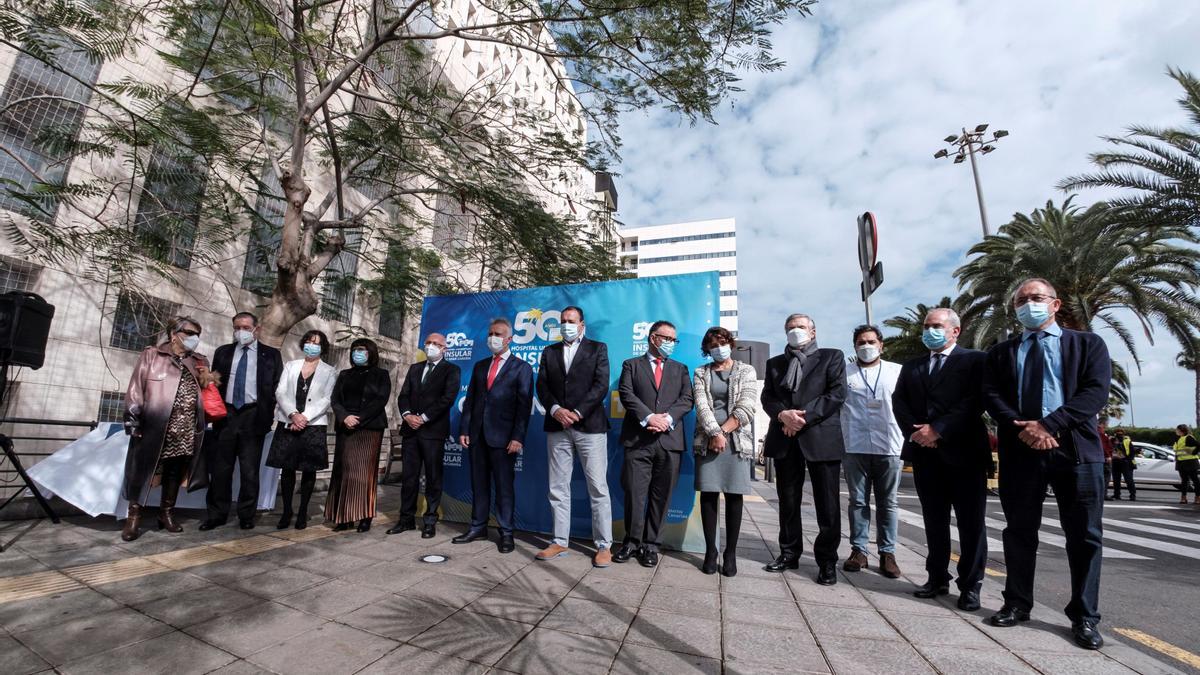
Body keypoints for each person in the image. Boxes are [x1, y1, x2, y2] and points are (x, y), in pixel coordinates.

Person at [983, 278, 1111, 650]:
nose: (1028, 304)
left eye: (1036, 298)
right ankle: (1017, 603)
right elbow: (991, 395)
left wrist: (1049, 425)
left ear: (1055, 305)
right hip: (1021, 449)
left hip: (1075, 451)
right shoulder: (1002, 352)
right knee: (1019, 531)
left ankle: (1085, 616)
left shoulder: (1087, 344)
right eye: (1022, 300)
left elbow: (1094, 392)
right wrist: (1022, 427)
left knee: (1085, 536)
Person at [892, 308, 990, 611]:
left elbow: (975, 401)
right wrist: (917, 432)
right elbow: (900, 401)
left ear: (955, 330)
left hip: (964, 453)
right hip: (925, 454)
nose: (930, 330)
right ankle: (936, 577)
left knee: (971, 523)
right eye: (926, 326)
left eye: (936, 325)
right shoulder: (913, 366)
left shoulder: (974, 361)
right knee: (934, 521)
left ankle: (970, 585)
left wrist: (939, 429)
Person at [761, 313, 847, 585]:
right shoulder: (775, 363)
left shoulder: (831, 357)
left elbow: (836, 394)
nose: (795, 331)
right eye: (790, 328)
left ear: (813, 331)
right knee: (787, 502)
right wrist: (783, 415)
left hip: (820, 438)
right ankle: (788, 553)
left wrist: (801, 418)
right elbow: (768, 396)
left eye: (800, 327)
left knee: (828, 505)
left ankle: (826, 561)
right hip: (785, 437)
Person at [534, 306, 614, 567]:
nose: (566, 325)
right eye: (562, 321)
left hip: (589, 426)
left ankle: (603, 545)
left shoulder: (597, 349)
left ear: (582, 324)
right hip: (557, 427)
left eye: (571, 321)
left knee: (598, 488)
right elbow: (542, 386)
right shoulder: (550, 352)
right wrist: (556, 410)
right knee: (557, 488)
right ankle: (559, 541)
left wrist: (577, 412)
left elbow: (601, 385)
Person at [121, 317, 213, 541]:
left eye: (197, 334)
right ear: (174, 334)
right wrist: (133, 420)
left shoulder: (200, 361)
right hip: (156, 425)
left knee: (174, 471)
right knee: (142, 470)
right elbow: (136, 388)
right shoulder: (152, 355)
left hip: (186, 428)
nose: (194, 339)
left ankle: (166, 513)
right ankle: (133, 517)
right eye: (190, 333)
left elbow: (208, 393)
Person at [615, 320, 694, 568]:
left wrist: (667, 420)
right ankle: (631, 541)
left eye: (674, 340)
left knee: (662, 497)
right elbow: (626, 393)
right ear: (653, 338)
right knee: (635, 495)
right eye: (667, 338)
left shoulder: (680, 369)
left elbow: (687, 398)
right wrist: (649, 417)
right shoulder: (631, 365)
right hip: (638, 441)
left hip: (670, 442)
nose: (671, 343)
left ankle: (651, 545)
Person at [453, 318, 534, 553]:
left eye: (498, 334)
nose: (492, 338)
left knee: (504, 487)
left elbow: (523, 406)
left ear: (509, 339)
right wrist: (465, 429)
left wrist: (518, 437)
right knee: (478, 484)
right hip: (477, 436)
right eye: (490, 333)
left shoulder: (522, 368)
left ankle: (506, 533)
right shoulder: (480, 366)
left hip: (504, 438)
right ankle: (477, 527)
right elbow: (471, 402)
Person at [202, 312, 283, 531]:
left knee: (249, 471)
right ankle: (216, 514)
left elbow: (276, 387)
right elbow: (214, 383)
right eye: (237, 327)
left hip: (253, 416)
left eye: (246, 328)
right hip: (226, 415)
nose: (241, 332)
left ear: (257, 329)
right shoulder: (223, 352)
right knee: (221, 469)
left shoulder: (271, 355)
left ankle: (246, 515)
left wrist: (267, 416)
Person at [692, 326, 759, 577]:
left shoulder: (746, 370)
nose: (718, 347)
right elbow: (701, 404)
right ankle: (711, 551)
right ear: (707, 349)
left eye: (722, 342)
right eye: (712, 344)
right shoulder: (701, 372)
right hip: (708, 439)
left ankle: (730, 553)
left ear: (730, 343)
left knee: (734, 495)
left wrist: (726, 431)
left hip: (736, 440)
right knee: (708, 495)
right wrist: (715, 433)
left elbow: (747, 405)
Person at [840, 324, 904, 580]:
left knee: (889, 502)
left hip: (890, 445)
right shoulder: (845, 373)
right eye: (861, 343)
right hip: (854, 445)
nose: (866, 347)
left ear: (881, 344)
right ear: (854, 346)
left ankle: (888, 553)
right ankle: (859, 551)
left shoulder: (897, 372)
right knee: (857, 502)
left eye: (871, 342)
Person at [388, 332, 461, 538]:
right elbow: (403, 396)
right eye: (428, 342)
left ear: (444, 349)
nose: (430, 346)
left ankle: (430, 521)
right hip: (410, 431)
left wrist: (424, 418)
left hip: (433, 432)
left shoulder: (452, 370)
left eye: (436, 344)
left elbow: (447, 399)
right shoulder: (415, 368)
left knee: (433, 478)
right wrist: (408, 415)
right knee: (409, 478)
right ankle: (406, 520)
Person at [266, 331, 336, 530]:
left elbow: (327, 399)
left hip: (312, 426)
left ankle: (303, 511)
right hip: (288, 422)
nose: (311, 345)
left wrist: (304, 417)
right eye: (308, 341)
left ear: (323, 347)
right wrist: (293, 414)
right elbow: (280, 391)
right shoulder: (291, 365)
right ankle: (287, 511)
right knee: (287, 469)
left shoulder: (329, 371)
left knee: (308, 469)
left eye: (316, 343)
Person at [326, 338, 392, 532]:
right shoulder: (345, 374)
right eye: (355, 349)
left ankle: (364, 516)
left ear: (371, 352)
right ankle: (343, 517)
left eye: (362, 349)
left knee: (364, 473)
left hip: (369, 428)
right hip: (345, 427)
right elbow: (335, 399)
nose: (358, 352)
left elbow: (381, 400)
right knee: (343, 471)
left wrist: (360, 418)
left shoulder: (382, 374)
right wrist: (344, 416)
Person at [1173, 424, 1200, 504]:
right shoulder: (1178, 438)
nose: (1176, 431)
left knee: (1195, 481)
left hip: (1190, 462)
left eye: (1177, 430)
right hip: (1181, 462)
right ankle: (1183, 498)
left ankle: (1197, 497)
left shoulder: (1189, 438)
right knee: (1184, 481)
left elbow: (1198, 445)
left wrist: (1194, 452)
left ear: (1181, 430)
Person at [1111, 427, 1136, 500]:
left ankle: (1132, 495)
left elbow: (1132, 452)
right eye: (1117, 432)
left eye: (1121, 432)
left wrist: (1127, 460)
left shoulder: (1127, 441)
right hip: (1116, 462)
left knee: (1128, 480)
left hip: (1126, 463)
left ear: (1123, 433)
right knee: (1116, 480)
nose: (1119, 434)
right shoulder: (1112, 440)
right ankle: (1116, 494)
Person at [1099, 421, 1114, 501]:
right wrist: (1108, 455)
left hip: (1101, 458)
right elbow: (1103, 446)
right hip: (1105, 458)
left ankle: (1102, 494)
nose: (1107, 425)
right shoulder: (1100, 433)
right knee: (1106, 478)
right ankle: (1103, 494)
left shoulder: (1100, 432)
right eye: (1106, 424)